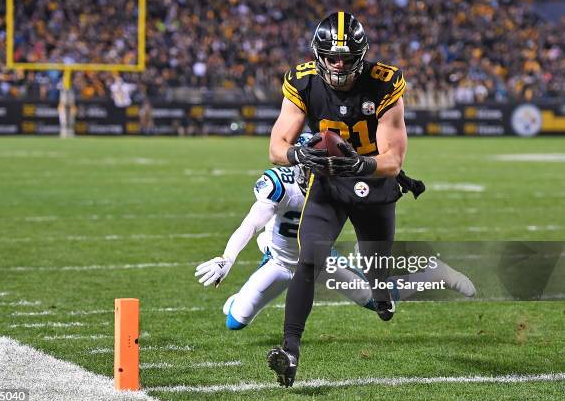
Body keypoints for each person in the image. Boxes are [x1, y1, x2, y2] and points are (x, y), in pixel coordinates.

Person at [266, 11, 420, 387]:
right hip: (330, 183)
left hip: (373, 181)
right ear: (318, 55)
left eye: (346, 57)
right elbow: (276, 146)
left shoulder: (384, 83)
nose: (338, 64)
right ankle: (289, 350)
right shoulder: (302, 81)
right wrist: (298, 156)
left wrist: (361, 162)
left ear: (361, 54)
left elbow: (393, 160)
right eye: (331, 57)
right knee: (308, 259)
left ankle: (381, 293)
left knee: (375, 263)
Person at [194, 136, 474, 331]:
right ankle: (254, 274)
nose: (319, 169)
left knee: (374, 300)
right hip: (281, 262)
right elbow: (251, 223)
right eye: (313, 163)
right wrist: (227, 258)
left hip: (321, 259)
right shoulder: (281, 184)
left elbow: (369, 199)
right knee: (235, 321)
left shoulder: (339, 181)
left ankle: (435, 274)